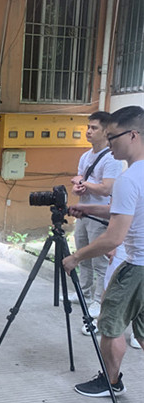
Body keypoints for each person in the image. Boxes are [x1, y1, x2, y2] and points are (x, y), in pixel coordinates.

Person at [63, 106, 144, 397]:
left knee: (110, 325)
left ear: (133, 135)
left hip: (136, 267)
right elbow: (123, 210)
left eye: (113, 137)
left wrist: (75, 257)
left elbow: (113, 237)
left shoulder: (128, 179)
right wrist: (87, 209)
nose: (109, 144)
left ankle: (111, 382)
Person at [69, 112, 123, 321]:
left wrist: (83, 183)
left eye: (94, 128)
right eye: (88, 127)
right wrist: (78, 187)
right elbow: (80, 182)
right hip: (83, 212)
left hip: (100, 215)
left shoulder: (111, 159)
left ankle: (98, 301)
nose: (89, 131)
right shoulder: (85, 156)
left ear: (106, 131)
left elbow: (106, 188)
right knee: (82, 254)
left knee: (100, 260)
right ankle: (83, 293)